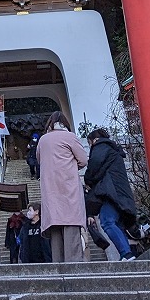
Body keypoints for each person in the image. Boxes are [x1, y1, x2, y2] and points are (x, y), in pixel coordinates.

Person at [37, 111, 88, 263]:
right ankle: (75, 269)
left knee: (56, 235)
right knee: (71, 229)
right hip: (68, 186)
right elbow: (84, 160)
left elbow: (40, 160)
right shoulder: (70, 137)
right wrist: (71, 166)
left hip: (50, 189)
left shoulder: (43, 140)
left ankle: (58, 268)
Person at [84, 127, 138, 262]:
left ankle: (126, 253)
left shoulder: (101, 146)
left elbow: (94, 165)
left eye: (90, 143)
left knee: (107, 221)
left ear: (94, 140)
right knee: (117, 224)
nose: (91, 147)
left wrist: (88, 179)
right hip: (120, 193)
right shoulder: (114, 151)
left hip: (110, 193)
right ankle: (127, 254)